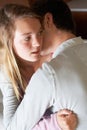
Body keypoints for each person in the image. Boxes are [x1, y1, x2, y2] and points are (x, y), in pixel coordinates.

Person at [0, 3, 77, 130]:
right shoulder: (5, 75)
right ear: (9, 43)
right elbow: (11, 127)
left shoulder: (53, 59)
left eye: (40, 32)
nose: (37, 43)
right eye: (27, 38)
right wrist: (54, 124)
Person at [27, 0, 87, 129]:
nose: (34, 41)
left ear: (48, 20)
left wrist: (53, 124)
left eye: (34, 29)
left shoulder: (50, 73)